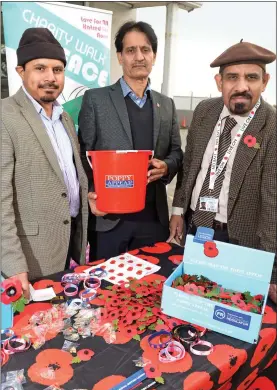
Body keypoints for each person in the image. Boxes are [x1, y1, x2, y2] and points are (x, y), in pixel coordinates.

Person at [169, 40, 276, 302]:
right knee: (192, 299)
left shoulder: (272, 126)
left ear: (265, 81)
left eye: (251, 77)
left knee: (229, 309)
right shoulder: (205, 111)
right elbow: (190, 164)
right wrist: (178, 210)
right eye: (232, 78)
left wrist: (272, 272)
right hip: (197, 227)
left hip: (240, 240)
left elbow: (273, 203)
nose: (241, 86)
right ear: (219, 82)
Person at [79, 21, 183, 261]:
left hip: (153, 220)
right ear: (119, 57)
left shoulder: (166, 104)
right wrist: (92, 194)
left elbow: (177, 152)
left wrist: (167, 166)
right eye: (130, 50)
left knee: (148, 290)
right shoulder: (96, 100)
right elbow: (84, 154)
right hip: (109, 220)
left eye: (145, 50)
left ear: (154, 56)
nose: (139, 57)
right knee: (105, 290)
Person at [1, 28, 88, 298]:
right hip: (27, 260)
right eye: (40, 68)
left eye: (58, 69)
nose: (50, 77)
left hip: (63, 252)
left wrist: (86, 199)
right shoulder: (5, 116)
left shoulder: (64, 118)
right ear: (20, 71)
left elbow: (65, 177)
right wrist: (13, 264)